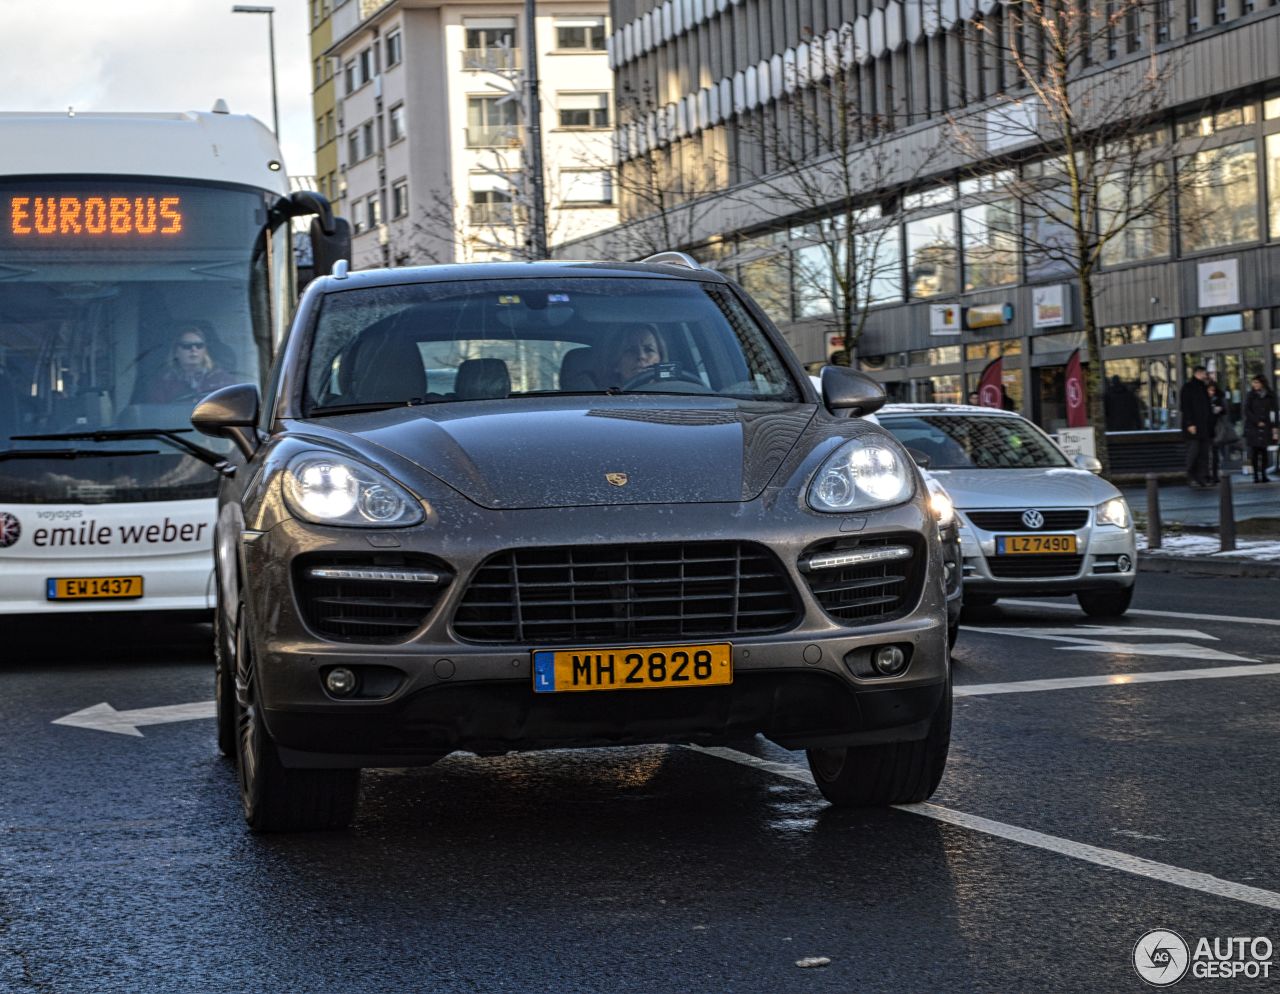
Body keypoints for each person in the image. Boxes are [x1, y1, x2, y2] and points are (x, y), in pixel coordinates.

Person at [141, 324, 238, 403]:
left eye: (199, 346)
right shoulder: (162, 383)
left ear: (205, 351)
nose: (193, 350)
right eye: (187, 346)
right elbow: (156, 415)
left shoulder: (223, 380)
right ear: (176, 351)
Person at [598, 323, 667, 387]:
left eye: (649, 350)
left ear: (660, 359)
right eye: (631, 350)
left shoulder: (672, 394)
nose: (641, 356)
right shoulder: (604, 398)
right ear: (615, 363)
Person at [1179, 365, 1214, 487]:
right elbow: (1185, 407)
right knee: (1193, 452)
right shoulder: (1189, 388)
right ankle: (1191, 476)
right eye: (1205, 374)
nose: (1206, 376)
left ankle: (1202, 477)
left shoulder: (1203, 387)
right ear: (1198, 373)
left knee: (1203, 454)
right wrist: (1190, 423)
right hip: (1194, 428)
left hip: (1204, 427)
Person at [1243, 375, 1278, 483]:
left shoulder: (1270, 395)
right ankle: (1255, 476)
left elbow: (1274, 411)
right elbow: (1247, 410)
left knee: (1264, 452)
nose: (1255, 385)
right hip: (1253, 427)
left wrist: (1274, 427)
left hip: (1266, 426)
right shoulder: (1251, 395)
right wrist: (1256, 421)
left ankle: (1263, 474)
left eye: (1257, 383)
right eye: (1253, 383)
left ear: (1262, 383)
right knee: (1254, 451)